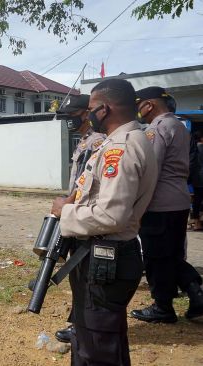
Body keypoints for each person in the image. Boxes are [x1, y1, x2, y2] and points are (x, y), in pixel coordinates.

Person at [51, 79, 158, 365]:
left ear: (104, 109)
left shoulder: (120, 148)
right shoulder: (122, 141)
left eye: (90, 109)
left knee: (96, 347)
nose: (87, 116)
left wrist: (65, 212)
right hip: (105, 255)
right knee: (102, 340)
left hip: (106, 256)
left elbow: (111, 215)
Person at [130, 87, 203, 323]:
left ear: (149, 105)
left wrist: (138, 207)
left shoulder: (156, 129)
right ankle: (196, 293)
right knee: (171, 254)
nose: (138, 110)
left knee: (156, 256)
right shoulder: (179, 126)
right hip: (179, 200)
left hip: (158, 202)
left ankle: (163, 307)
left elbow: (150, 170)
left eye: (139, 104)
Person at [53, 94, 106, 344]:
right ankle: (80, 323)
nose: (68, 122)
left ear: (86, 113)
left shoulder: (97, 142)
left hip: (85, 216)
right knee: (77, 274)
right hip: (77, 212)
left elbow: (86, 183)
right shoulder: (85, 140)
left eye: (71, 116)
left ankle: (84, 327)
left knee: (84, 274)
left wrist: (68, 204)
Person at [190, 130, 203, 231]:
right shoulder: (201, 148)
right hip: (201, 179)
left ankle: (196, 223)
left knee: (197, 201)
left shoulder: (193, 148)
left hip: (196, 179)